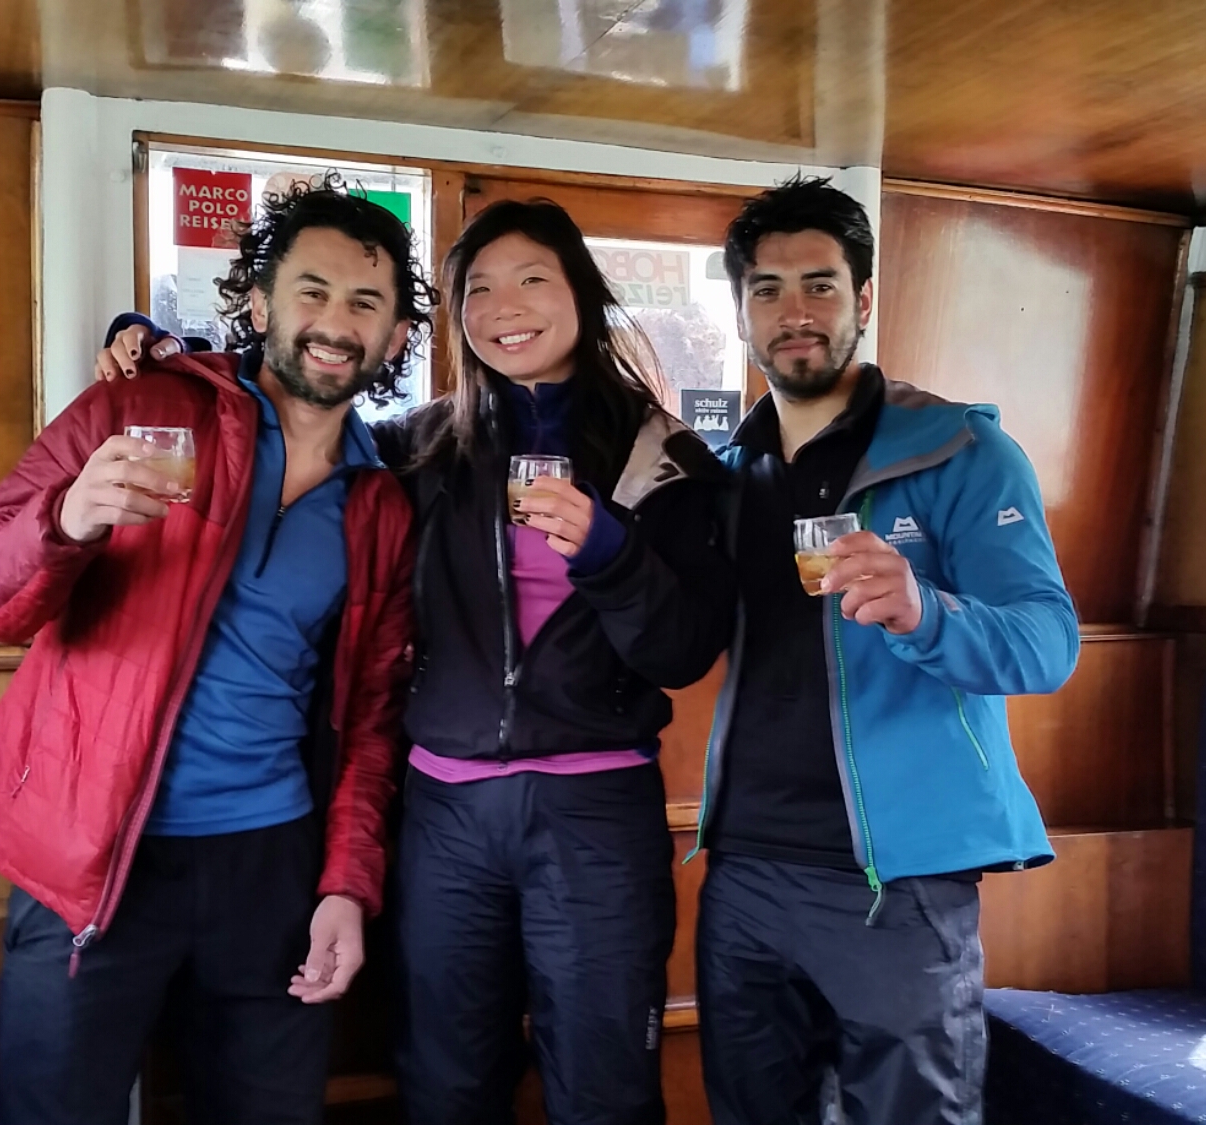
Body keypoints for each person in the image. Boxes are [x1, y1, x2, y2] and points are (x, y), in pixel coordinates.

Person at [101, 196, 736, 1125]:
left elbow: (681, 653)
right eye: (478, 289)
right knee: (445, 1082)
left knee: (604, 1087)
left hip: (596, 811)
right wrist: (164, 350)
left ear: (582, 295)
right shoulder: (421, 447)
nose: (504, 306)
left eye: (532, 279)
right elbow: (288, 408)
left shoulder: (664, 459)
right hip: (446, 814)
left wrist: (608, 550)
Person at [0, 176, 423, 1125]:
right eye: (313, 290)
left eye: (366, 302)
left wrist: (345, 883)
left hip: (271, 863)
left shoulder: (381, 501)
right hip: (93, 850)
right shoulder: (135, 410)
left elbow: (372, 721)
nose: (337, 322)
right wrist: (64, 521)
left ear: (396, 337)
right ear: (260, 305)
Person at [691, 176, 1080, 1125]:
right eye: (768, 288)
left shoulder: (960, 451)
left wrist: (924, 611)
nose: (795, 311)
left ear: (863, 300)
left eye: (820, 285)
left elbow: (1048, 645)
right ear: (741, 312)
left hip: (898, 882)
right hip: (743, 869)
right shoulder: (728, 474)